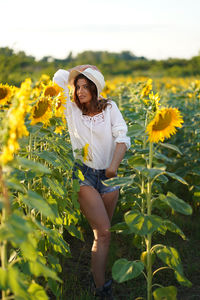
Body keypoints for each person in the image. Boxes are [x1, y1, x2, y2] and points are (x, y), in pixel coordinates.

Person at [53, 65, 130, 299]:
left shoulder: (110, 108)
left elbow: (122, 136)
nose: (80, 91)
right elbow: (58, 77)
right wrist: (80, 70)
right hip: (84, 174)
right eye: (77, 87)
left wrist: (113, 167)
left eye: (86, 86)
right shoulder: (71, 109)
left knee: (104, 232)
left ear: (96, 88)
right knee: (104, 233)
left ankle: (96, 272)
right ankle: (100, 288)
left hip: (109, 175)